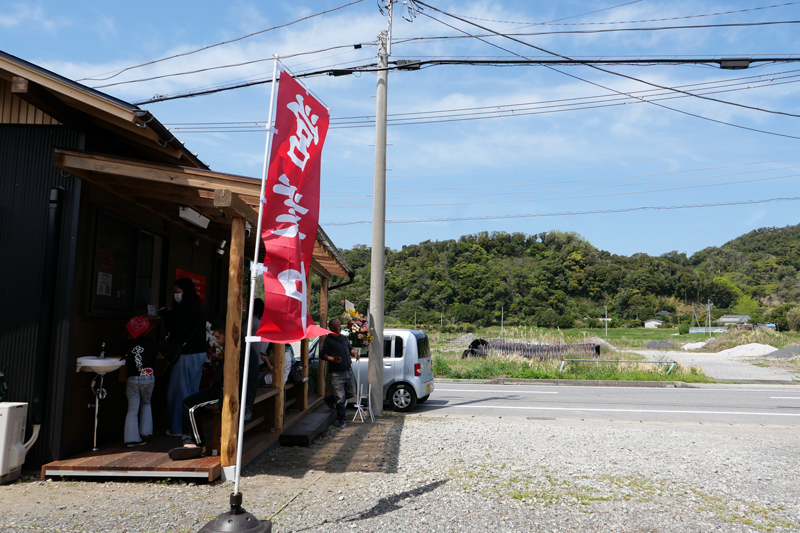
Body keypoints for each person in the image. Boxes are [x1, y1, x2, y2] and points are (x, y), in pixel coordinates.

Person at [168, 319, 259, 460]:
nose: (217, 341)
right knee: (189, 403)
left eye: (218, 337)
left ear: (227, 335)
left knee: (190, 406)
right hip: (226, 389)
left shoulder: (238, 349)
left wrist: (225, 385)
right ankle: (194, 442)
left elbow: (233, 378)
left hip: (232, 392)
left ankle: (196, 444)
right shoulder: (239, 347)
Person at [160, 278, 207, 437]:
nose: (176, 295)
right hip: (199, 354)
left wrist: (167, 315)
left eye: (178, 292)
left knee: (179, 393)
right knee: (192, 392)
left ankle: (178, 428)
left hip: (185, 355)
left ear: (185, 291)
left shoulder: (187, 308)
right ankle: (191, 427)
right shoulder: (197, 305)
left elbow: (178, 329)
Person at [120, 316, 157, 447]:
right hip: (149, 377)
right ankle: (146, 431)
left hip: (132, 378)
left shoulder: (125, 344)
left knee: (132, 409)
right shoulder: (152, 343)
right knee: (146, 403)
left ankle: (131, 439)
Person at [321, 318, 359, 429]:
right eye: (338, 326)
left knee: (351, 392)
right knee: (340, 398)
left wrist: (355, 354)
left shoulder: (344, 338)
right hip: (336, 373)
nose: (340, 327)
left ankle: (329, 399)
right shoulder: (327, 340)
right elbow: (322, 354)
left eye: (340, 325)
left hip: (348, 370)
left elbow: (350, 349)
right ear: (332, 328)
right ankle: (342, 420)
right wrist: (333, 359)